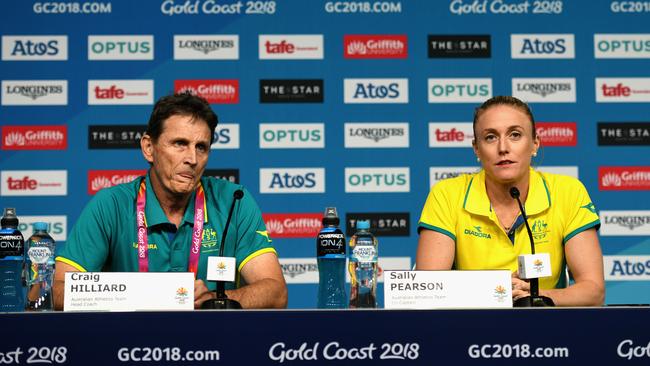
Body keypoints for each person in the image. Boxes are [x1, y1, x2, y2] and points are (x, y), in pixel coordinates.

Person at [53, 92, 287, 309]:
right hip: (129, 345)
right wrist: (150, 294)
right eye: (180, 144)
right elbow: (55, 291)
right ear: (148, 148)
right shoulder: (110, 205)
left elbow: (276, 293)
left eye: (201, 147)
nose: (192, 158)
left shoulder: (234, 201)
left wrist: (214, 301)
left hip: (213, 346)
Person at [416, 96, 604, 306]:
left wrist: (537, 297)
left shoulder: (568, 192)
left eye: (515, 135)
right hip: (468, 329)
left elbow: (593, 291)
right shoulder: (446, 194)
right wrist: (497, 290)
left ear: (534, 144)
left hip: (546, 329)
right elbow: (427, 290)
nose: (503, 147)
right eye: (490, 137)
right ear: (476, 149)